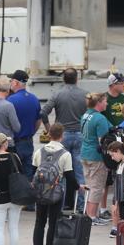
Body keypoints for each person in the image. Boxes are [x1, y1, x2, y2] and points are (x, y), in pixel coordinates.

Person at [31, 123, 79, 245]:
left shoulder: (39, 152)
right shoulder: (65, 154)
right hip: (56, 192)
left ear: (49, 135)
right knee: (53, 223)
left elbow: (34, 171)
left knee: (39, 222)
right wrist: (78, 187)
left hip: (40, 192)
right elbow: (70, 176)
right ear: (62, 136)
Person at [42, 68, 87, 207]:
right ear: (77, 78)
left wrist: (49, 130)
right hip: (80, 134)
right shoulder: (85, 95)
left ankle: (59, 205)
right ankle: (80, 205)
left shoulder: (57, 94)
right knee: (79, 171)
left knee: (60, 171)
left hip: (62, 135)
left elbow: (43, 112)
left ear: (64, 79)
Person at [80, 93, 112, 224]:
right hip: (96, 156)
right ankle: (92, 216)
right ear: (99, 103)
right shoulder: (100, 118)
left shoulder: (86, 115)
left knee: (89, 185)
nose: (107, 103)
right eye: (105, 101)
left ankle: (89, 214)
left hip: (85, 153)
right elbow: (103, 141)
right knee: (97, 187)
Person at [8, 71, 42, 179]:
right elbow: (38, 121)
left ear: (16, 83)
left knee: (14, 175)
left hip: (15, 143)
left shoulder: (11, 100)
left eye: (11, 81)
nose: (10, 83)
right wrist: (31, 133)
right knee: (28, 174)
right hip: (28, 141)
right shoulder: (34, 99)